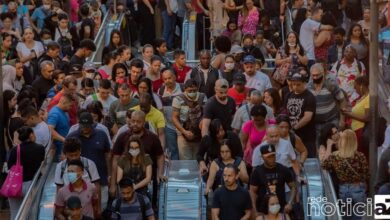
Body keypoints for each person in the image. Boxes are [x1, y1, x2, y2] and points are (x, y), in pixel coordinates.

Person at [110, 110, 165, 203]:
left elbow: (160, 156)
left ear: (144, 122)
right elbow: (115, 159)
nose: (135, 124)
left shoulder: (152, 137)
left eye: (138, 122)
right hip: (125, 185)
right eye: (133, 121)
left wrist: (160, 174)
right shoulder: (123, 136)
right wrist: (113, 184)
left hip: (147, 184)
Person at [66, 112, 111, 209]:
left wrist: (109, 174)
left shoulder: (101, 134)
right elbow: (65, 156)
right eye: (83, 126)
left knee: (101, 207)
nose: (85, 128)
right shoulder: (72, 137)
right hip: (79, 181)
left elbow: (108, 155)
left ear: (92, 124)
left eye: (87, 126)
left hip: (101, 178)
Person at [321, 129, 368, 220]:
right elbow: (366, 174)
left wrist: (329, 146)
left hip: (344, 189)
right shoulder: (360, 156)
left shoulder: (335, 156)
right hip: (358, 188)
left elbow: (324, 165)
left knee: (345, 216)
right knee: (357, 216)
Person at [7, 126, 45, 220]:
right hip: (32, 184)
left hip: (15, 184)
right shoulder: (40, 148)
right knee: (32, 212)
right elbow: (41, 162)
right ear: (31, 134)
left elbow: (9, 166)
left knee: (15, 212)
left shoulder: (15, 150)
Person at [249, 144, 296, 216]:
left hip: (281, 209)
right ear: (262, 157)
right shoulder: (257, 172)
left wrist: (290, 203)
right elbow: (252, 192)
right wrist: (255, 210)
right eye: (268, 157)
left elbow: (293, 187)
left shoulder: (283, 169)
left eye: (273, 155)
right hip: (263, 211)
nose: (272, 158)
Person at [307, 63, 347, 135]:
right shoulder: (308, 87)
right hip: (316, 125)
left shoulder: (331, 84)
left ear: (322, 73)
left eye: (317, 75)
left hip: (332, 122)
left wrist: (342, 120)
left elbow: (342, 100)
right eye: (313, 75)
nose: (315, 77)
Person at [172, 79, 206, 160]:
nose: (192, 92)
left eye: (194, 90)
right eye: (190, 91)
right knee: (185, 161)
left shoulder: (202, 97)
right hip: (183, 134)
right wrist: (184, 131)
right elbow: (174, 117)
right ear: (185, 89)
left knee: (198, 160)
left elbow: (206, 115)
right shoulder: (178, 99)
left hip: (199, 135)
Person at [285, 72, 317, 158]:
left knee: (309, 159)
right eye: (293, 84)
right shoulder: (288, 95)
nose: (295, 87)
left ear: (304, 83)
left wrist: (295, 127)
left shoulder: (309, 97)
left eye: (298, 84)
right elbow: (285, 112)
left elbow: (307, 117)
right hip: (291, 136)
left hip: (307, 135)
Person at [341, 76, 369, 158]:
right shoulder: (363, 97)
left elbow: (367, 118)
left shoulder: (369, 98)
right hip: (356, 131)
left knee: (361, 156)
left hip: (361, 131)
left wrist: (348, 114)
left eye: (355, 88)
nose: (355, 91)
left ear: (361, 86)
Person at [158, 68, 183, 160]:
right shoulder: (160, 91)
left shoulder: (182, 88)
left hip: (182, 126)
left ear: (175, 77)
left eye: (169, 78)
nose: (167, 81)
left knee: (183, 152)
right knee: (172, 152)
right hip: (168, 126)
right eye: (165, 79)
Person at [47, 93, 73, 160]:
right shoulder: (55, 114)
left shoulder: (64, 111)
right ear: (64, 102)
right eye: (70, 105)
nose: (71, 108)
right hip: (58, 151)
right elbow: (50, 130)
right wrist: (64, 140)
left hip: (64, 148)